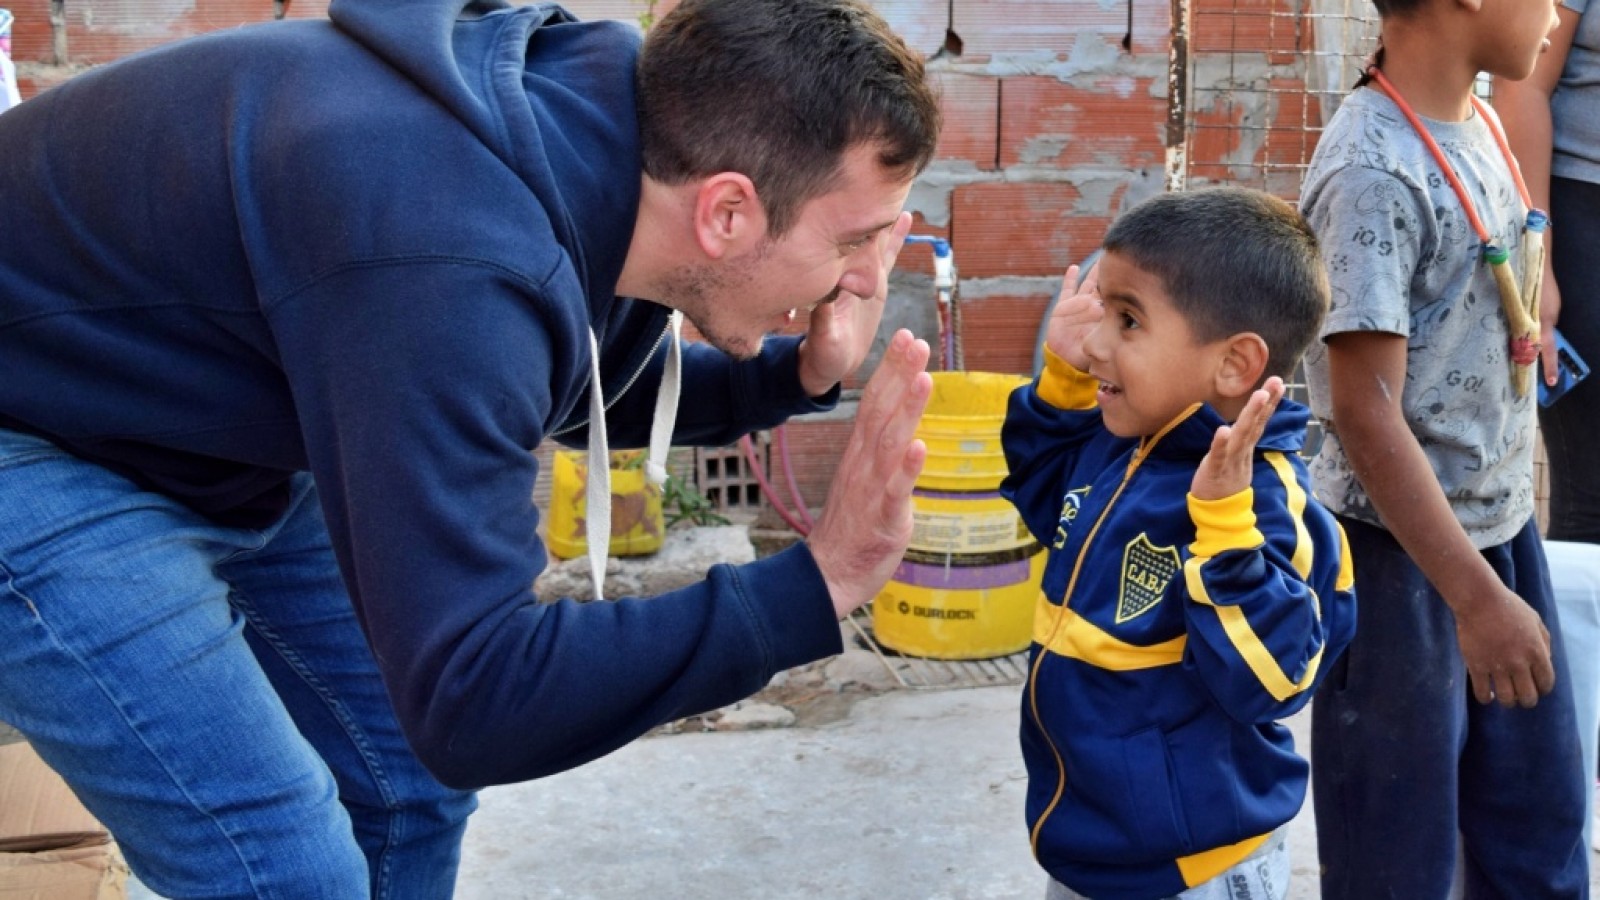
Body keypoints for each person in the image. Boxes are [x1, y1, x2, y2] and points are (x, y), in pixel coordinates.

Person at [0, 0, 941, 896]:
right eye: (855, 240)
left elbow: (533, 383)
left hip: (177, 423)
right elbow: (477, 696)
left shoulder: (597, 140)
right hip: (35, 443)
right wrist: (816, 584)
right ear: (727, 212)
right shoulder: (445, 258)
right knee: (282, 872)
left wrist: (791, 377)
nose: (863, 280)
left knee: (406, 786)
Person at [1298, 0, 1591, 890]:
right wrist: (1477, 604)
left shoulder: (1485, 121)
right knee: (1398, 858)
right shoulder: (1371, 170)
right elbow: (1366, 412)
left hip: (1501, 540)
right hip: (1401, 576)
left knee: (1536, 832)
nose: (1554, 10)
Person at [999, 186, 1356, 900]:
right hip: (1090, 847)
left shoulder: (1267, 506)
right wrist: (1064, 387)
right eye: (1102, 309)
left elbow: (1274, 681)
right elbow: (1053, 508)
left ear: (1233, 365)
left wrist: (1224, 533)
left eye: (1127, 319)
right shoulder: (1123, 442)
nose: (1097, 340)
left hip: (1198, 867)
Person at [1495, 0, 1600, 852]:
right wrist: (1544, 254)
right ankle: (1580, 774)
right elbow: (1524, 78)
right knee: (1595, 498)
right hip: (1586, 213)